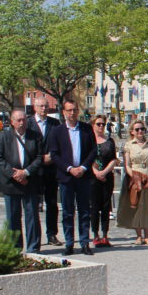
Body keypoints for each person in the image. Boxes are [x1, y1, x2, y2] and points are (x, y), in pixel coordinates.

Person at [46, 100, 97, 255]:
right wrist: (69, 168)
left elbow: (93, 151)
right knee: (67, 211)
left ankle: (84, 242)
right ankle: (69, 243)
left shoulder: (87, 129)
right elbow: (54, 154)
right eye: (69, 110)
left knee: (84, 211)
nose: (72, 113)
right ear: (64, 112)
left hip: (83, 175)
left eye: (74, 110)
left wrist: (82, 167)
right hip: (66, 177)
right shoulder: (57, 131)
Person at [0, 109, 44, 252]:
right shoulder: (3, 137)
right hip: (10, 184)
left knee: (32, 217)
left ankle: (33, 248)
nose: (22, 123)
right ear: (12, 122)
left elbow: (39, 157)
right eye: (18, 120)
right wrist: (15, 174)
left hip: (30, 182)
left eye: (24, 120)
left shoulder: (35, 136)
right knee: (13, 218)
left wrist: (26, 172)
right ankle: (15, 249)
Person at [117, 120, 148, 245]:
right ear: (132, 132)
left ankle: (147, 235)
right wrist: (134, 177)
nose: (140, 131)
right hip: (135, 177)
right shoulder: (129, 145)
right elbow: (127, 165)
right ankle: (138, 236)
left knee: (147, 206)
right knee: (135, 205)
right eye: (137, 129)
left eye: (142, 129)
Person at [27, 98, 61, 246]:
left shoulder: (55, 124)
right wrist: (40, 159)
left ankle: (52, 234)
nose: (43, 109)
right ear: (35, 107)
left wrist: (52, 156)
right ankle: (35, 236)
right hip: (33, 170)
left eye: (46, 106)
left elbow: (60, 144)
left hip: (50, 170)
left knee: (52, 203)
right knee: (33, 204)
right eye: (41, 106)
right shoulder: (28, 124)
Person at [89, 115, 118, 248]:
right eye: (98, 124)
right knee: (94, 206)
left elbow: (113, 159)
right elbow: (87, 158)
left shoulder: (109, 141)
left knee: (106, 206)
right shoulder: (89, 140)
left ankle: (105, 234)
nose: (101, 126)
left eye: (103, 124)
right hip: (92, 178)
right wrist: (96, 172)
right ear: (93, 125)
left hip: (107, 177)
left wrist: (104, 172)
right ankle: (95, 235)